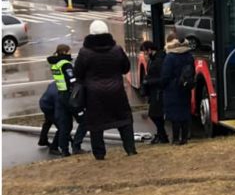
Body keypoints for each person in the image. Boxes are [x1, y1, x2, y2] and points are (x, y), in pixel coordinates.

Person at [74, 20, 137, 160]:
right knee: (124, 120)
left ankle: (99, 154)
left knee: (96, 125)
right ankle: (130, 149)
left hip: (94, 94)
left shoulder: (85, 52)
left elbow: (77, 72)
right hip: (116, 91)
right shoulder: (117, 49)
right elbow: (126, 67)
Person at [47, 43, 86, 157]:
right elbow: (72, 81)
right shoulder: (66, 64)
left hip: (61, 96)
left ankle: (64, 150)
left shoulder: (55, 64)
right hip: (70, 96)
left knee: (65, 125)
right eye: (69, 51)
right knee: (84, 120)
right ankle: (76, 146)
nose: (70, 53)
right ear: (64, 52)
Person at [160, 37, 196, 145]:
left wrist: (163, 86)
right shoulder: (189, 56)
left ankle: (175, 139)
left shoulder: (170, 57)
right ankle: (184, 138)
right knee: (185, 112)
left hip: (172, 88)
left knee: (174, 114)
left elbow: (165, 75)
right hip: (185, 88)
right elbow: (192, 72)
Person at [140, 39, 170, 144]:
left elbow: (161, 77)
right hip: (155, 91)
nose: (145, 54)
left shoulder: (158, 60)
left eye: (145, 52)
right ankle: (161, 135)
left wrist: (148, 81)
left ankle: (162, 136)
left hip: (158, 91)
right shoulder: (154, 59)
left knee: (154, 114)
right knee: (156, 115)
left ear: (150, 50)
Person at [38, 81, 58, 150]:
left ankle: (42, 140)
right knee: (62, 127)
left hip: (44, 103)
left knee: (48, 122)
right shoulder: (60, 88)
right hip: (49, 106)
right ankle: (54, 147)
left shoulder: (53, 83)